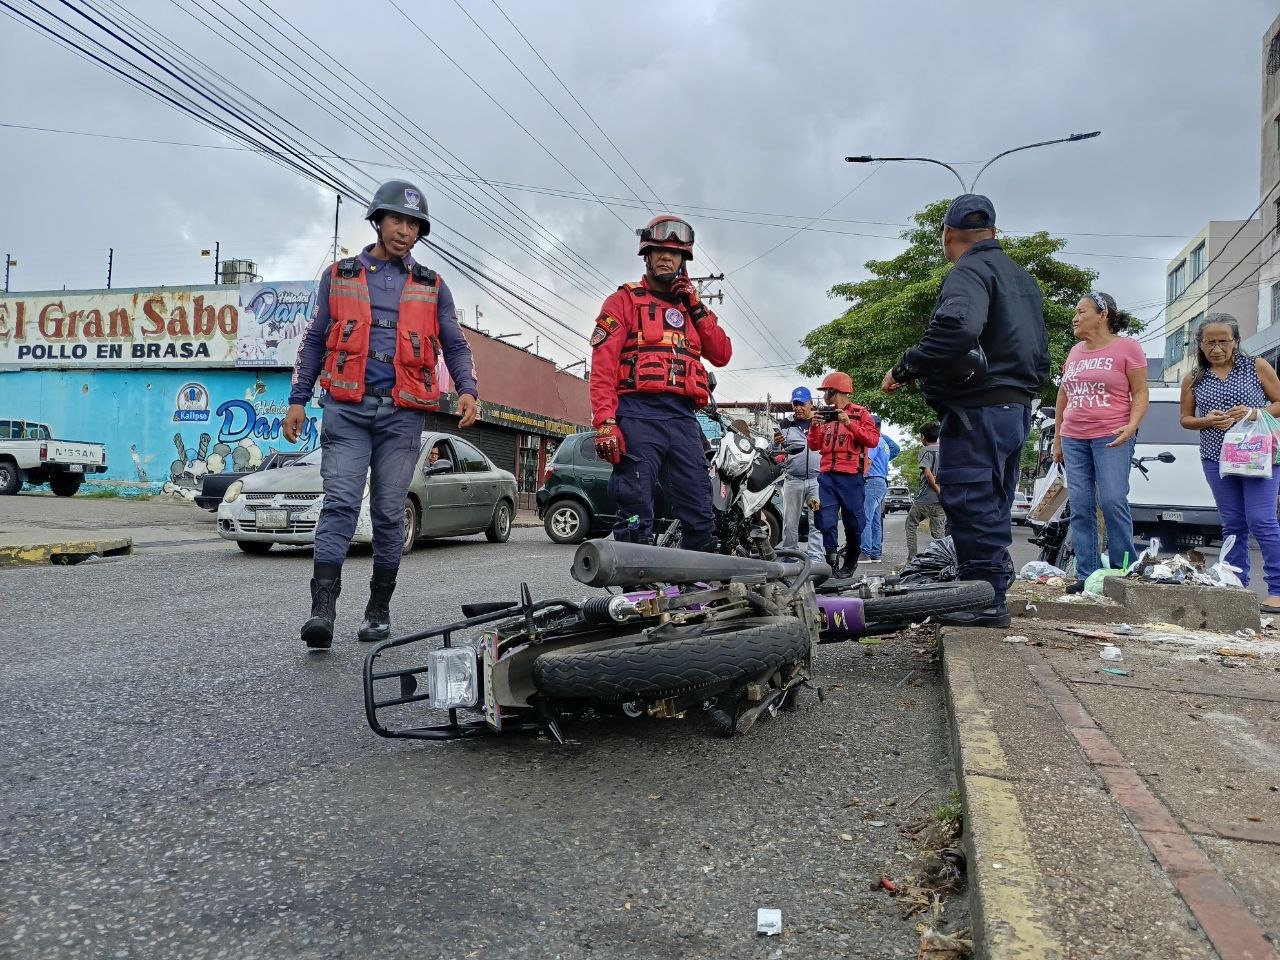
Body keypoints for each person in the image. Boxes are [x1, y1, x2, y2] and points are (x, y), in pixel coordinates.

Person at [283, 179, 479, 651]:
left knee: (390, 512)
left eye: (414, 225)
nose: (405, 231)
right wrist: (297, 398)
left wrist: (468, 389)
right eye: (397, 220)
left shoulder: (433, 286)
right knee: (340, 505)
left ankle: (378, 609)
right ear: (378, 221)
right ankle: (322, 611)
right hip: (347, 410)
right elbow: (315, 340)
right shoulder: (339, 275)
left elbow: (455, 344)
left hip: (402, 415)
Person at [882, 194, 1050, 627]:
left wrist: (907, 365)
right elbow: (1040, 352)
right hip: (1016, 408)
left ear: (947, 234)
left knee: (971, 501)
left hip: (979, 408)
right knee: (993, 503)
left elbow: (956, 328)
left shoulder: (970, 270)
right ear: (993, 231)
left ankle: (984, 599)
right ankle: (989, 590)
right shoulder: (1022, 278)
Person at [589, 215, 732, 550]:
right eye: (659, 251)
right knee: (635, 508)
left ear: (684, 260)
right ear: (647, 256)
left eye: (675, 253)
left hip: (682, 418)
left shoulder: (693, 309)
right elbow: (603, 368)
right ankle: (634, 578)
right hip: (637, 415)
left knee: (701, 509)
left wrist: (696, 306)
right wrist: (605, 422)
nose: (667, 257)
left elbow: (722, 354)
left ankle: (697, 576)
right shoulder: (623, 301)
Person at [1179, 313, 1280, 613]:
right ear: (1199, 344)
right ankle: (1236, 586)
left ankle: (1277, 589)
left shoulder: (1256, 366)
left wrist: (1254, 413)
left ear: (1236, 341)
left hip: (1259, 455)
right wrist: (1206, 421)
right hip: (1216, 458)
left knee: (1261, 519)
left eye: (1223, 341)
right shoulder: (1194, 378)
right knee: (1233, 523)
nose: (1217, 348)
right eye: (1209, 342)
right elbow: (1185, 419)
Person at [1053, 292, 1148, 591]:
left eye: (1082, 311)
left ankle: (1124, 571)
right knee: (1081, 505)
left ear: (1103, 315)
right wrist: (1057, 439)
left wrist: (1132, 425)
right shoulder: (1074, 352)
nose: (1075, 317)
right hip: (1074, 436)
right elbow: (1063, 395)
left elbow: (1141, 392)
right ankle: (1087, 575)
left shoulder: (1127, 347)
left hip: (1112, 435)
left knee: (1112, 499)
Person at [808, 371, 880, 577]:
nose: (823, 395)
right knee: (825, 519)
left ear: (835, 391)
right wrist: (814, 427)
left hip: (851, 477)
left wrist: (849, 423)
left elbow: (872, 440)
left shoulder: (861, 413)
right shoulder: (824, 416)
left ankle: (851, 561)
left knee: (854, 522)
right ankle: (831, 563)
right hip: (827, 476)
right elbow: (814, 445)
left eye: (826, 391)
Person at [775, 386, 824, 563]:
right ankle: (789, 555)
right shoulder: (785, 424)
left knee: (816, 520)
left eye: (802, 404)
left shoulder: (820, 421)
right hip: (793, 480)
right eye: (795, 404)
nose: (798, 408)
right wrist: (776, 443)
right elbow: (776, 451)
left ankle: (816, 557)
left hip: (816, 481)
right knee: (790, 522)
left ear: (811, 403)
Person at [861, 416, 901, 562]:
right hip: (881, 481)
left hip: (871, 481)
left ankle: (865, 552)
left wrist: (861, 477)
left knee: (866, 518)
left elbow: (868, 461)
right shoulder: (884, 442)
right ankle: (875, 552)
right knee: (876, 519)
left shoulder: (873, 441)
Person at [905, 421, 945, 559]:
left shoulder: (925, 450)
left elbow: (928, 474)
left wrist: (937, 489)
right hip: (940, 501)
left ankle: (912, 559)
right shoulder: (945, 450)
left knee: (911, 524)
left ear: (923, 436)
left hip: (925, 498)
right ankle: (942, 560)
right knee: (939, 533)